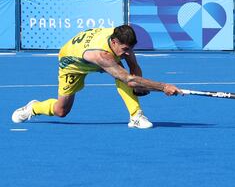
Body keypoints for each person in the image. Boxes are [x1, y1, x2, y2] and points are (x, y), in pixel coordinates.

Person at [11, 25, 181, 129]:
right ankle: (33, 108)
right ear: (114, 42)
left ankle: (136, 116)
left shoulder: (121, 38)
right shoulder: (102, 55)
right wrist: (163, 87)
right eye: (124, 49)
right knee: (61, 111)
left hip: (93, 55)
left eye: (130, 49)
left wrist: (139, 87)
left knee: (123, 74)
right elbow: (129, 79)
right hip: (72, 63)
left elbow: (134, 67)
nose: (128, 53)